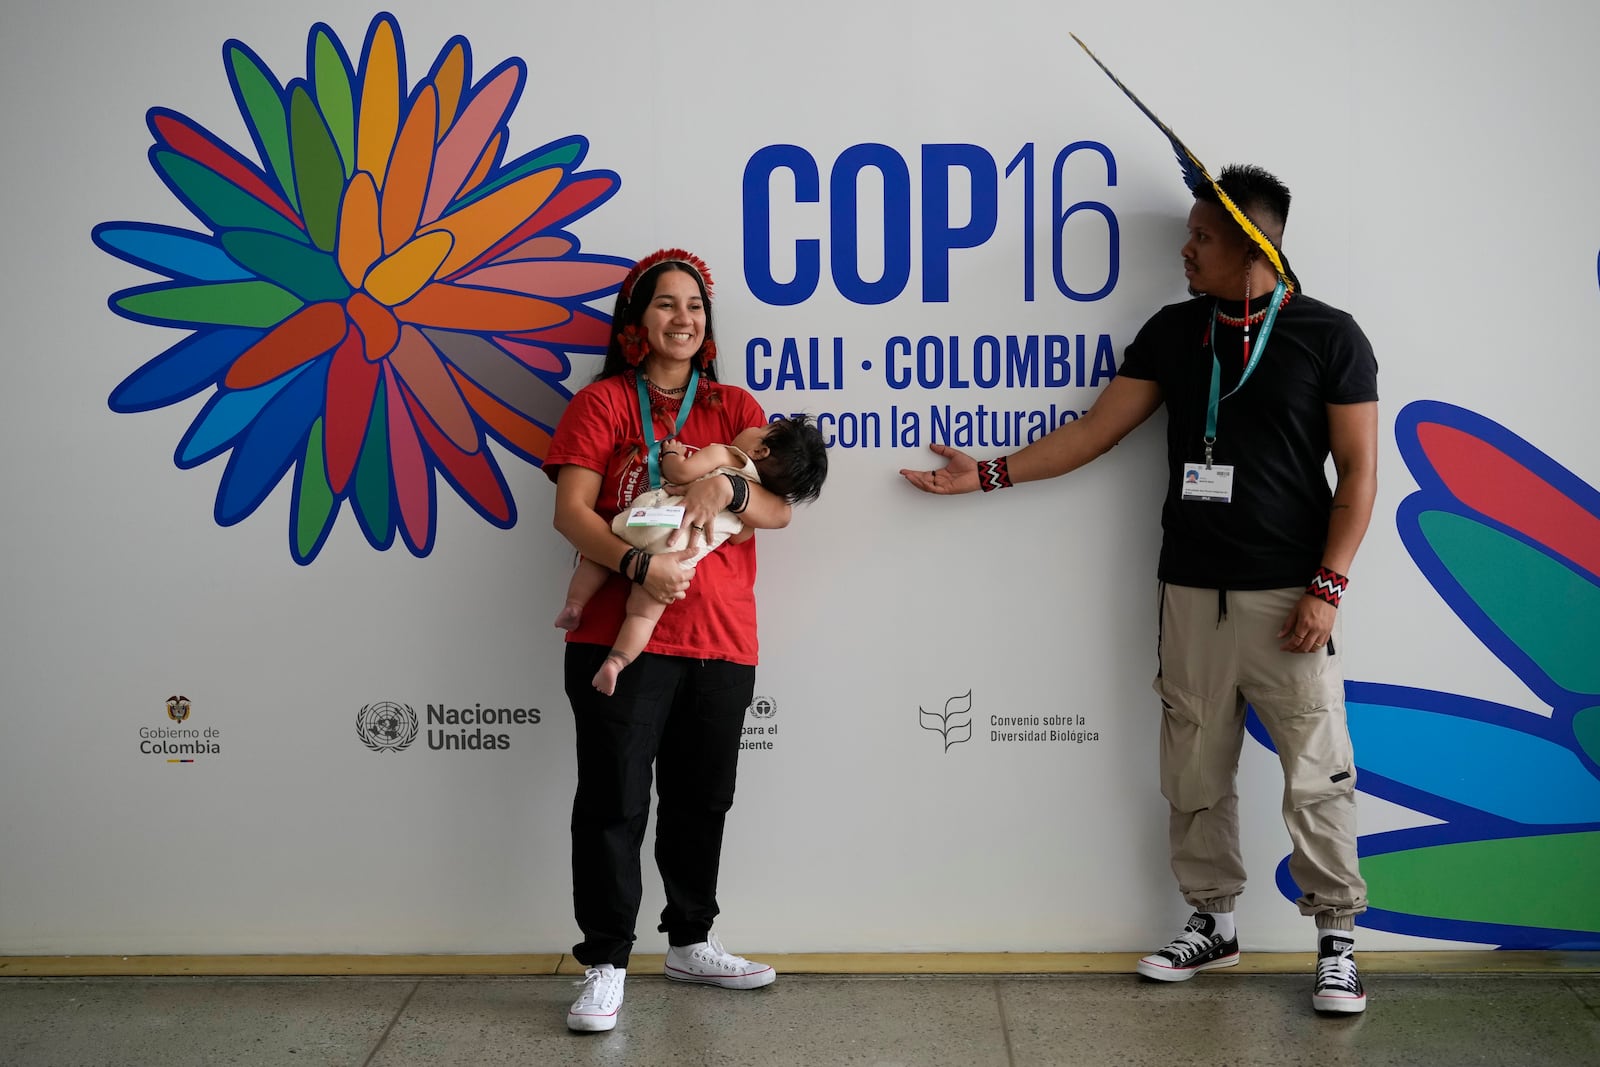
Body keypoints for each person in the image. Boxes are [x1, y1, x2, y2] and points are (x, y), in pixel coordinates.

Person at [901, 165, 1378, 1015]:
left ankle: (1337, 938)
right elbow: (1094, 431)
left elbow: (1361, 474)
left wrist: (1328, 587)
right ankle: (1212, 921)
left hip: (1289, 600)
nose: (1184, 251)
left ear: (1252, 244)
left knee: (1316, 775)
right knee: (1193, 767)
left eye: (1200, 237)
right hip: (1191, 591)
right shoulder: (1172, 332)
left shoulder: (1329, 335)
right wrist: (990, 476)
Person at [547, 248, 789, 1033]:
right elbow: (571, 513)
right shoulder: (603, 405)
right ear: (636, 323)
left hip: (721, 636)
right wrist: (638, 564)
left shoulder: (736, 407)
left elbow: (780, 510)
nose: (683, 318)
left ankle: (691, 939)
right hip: (621, 635)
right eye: (665, 305)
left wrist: (731, 483)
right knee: (614, 803)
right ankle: (606, 963)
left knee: (701, 799)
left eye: (695, 306)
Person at [557, 415, 827, 695]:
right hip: (675, 555)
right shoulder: (754, 505)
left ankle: (574, 605)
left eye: (760, 429)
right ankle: (616, 662)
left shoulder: (725, 454)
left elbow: (679, 474)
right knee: (642, 616)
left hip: (649, 518)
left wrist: (672, 454)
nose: (752, 428)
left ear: (760, 451)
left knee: (602, 556)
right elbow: (739, 537)